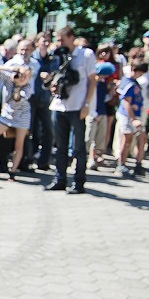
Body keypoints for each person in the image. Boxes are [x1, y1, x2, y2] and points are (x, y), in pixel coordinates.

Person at [44, 26, 97, 193]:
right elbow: (54, 77)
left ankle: (79, 182)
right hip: (59, 105)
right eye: (58, 40)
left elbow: (92, 80)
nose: (60, 43)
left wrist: (87, 104)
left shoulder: (86, 55)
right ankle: (59, 179)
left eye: (62, 40)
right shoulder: (58, 56)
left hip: (77, 106)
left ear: (72, 38)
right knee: (60, 146)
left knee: (78, 147)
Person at [115, 62, 149, 178]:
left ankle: (138, 164)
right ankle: (121, 164)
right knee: (127, 139)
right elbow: (126, 102)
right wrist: (133, 118)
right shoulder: (128, 83)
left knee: (141, 139)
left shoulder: (135, 83)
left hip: (137, 115)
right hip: (128, 116)